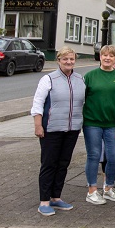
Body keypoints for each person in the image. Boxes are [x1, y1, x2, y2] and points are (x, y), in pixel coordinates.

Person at [31, 46, 85, 216]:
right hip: (51, 129)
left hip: (72, 128)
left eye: (71, 59)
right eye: (65, 59)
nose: (69, 62)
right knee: (49, 163)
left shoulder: (80, 78)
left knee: (63, 163)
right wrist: (38, 125)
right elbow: (38, 103)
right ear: (59, 60)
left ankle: (56, 197)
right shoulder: (48, 79)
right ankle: (44, 201)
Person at [82, 45, 115, 205]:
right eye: (105, 55)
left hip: (113, 124)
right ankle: (92, 190)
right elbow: (80, 98)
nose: (108, 58)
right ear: (100, 57)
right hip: (92, 123)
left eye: (111, 56)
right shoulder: (90, 76)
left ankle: (108, 187)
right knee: (94, 155)